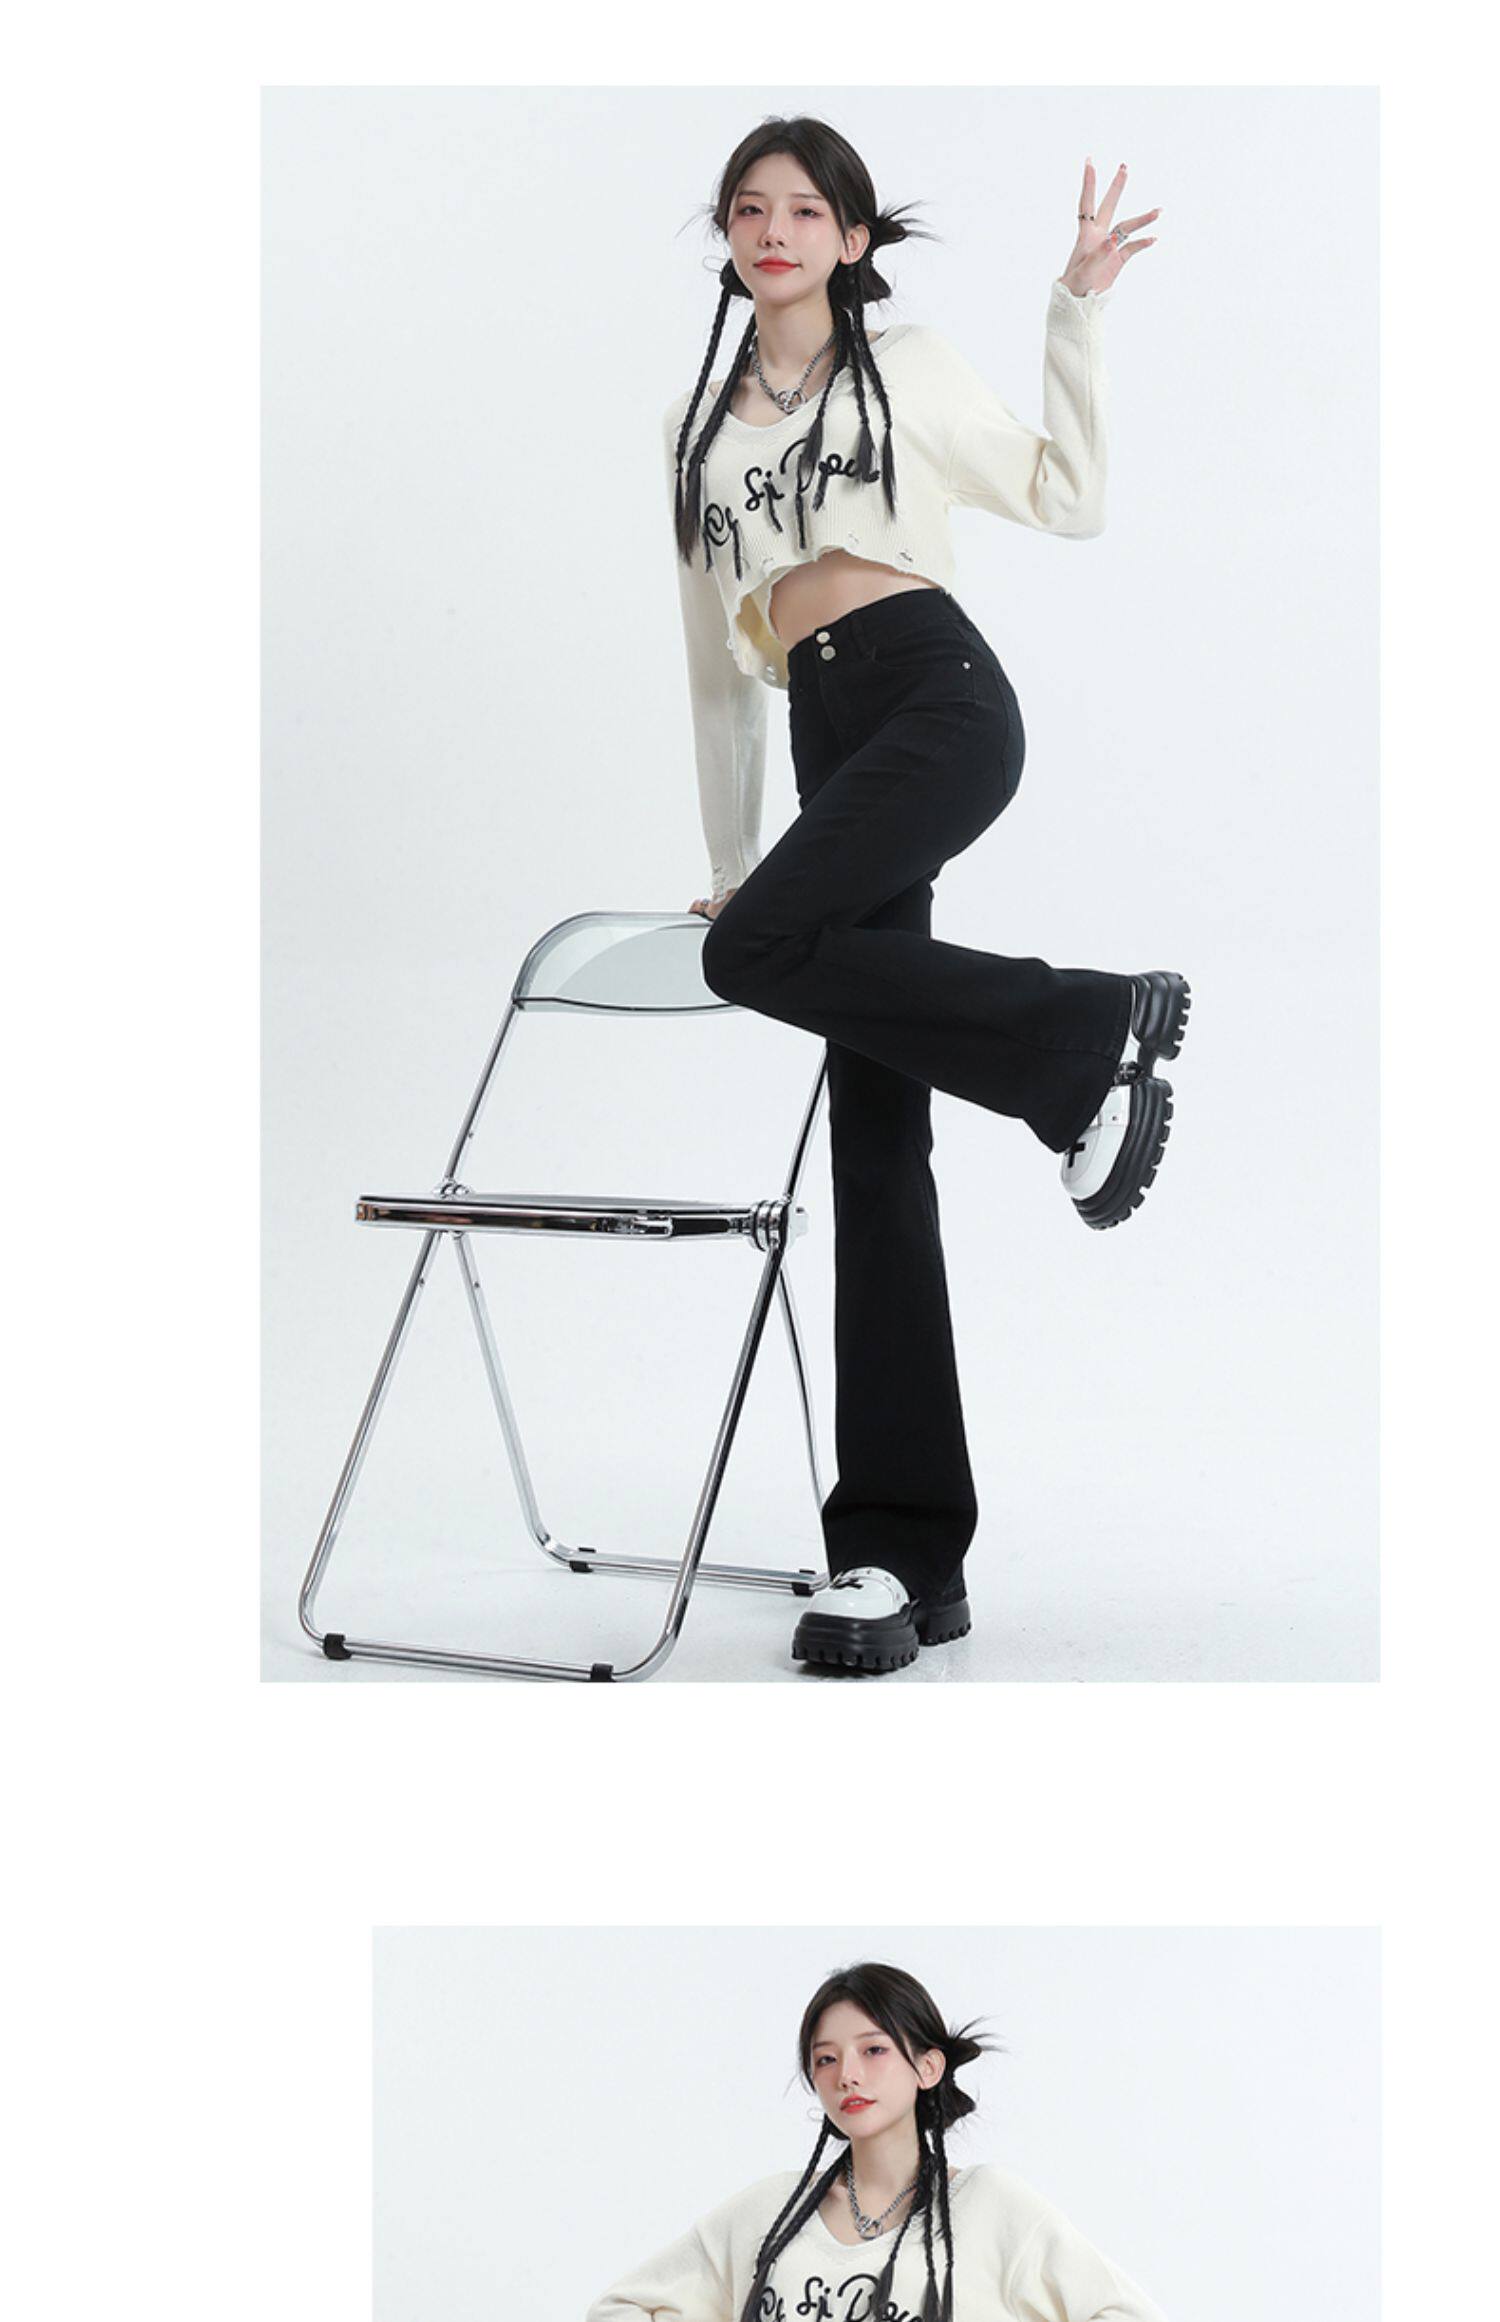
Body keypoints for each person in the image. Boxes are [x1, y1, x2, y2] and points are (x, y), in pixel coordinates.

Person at [662, 117, 1192, 1676]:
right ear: (730, 238)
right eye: (748, 209)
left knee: (760, 963)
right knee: (874, 1132)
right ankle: (902, 1556)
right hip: (825, 732)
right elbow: (716, 676)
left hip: (936, 695)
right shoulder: (699, 437)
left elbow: (1066, 496)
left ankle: (1081, 1042)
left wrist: (1075, 310)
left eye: (803, 209)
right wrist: (734, 865)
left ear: (851, 237)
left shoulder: (905, 370)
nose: (773, 229)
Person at [586, 1960, 1169, 2321]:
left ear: (929, 2067)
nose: (848, 2075)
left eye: (873, 2050)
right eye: (825, 2059)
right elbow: (621, 2309)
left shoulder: (992, 2209)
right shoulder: (770, 2212)